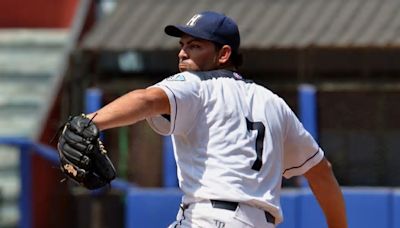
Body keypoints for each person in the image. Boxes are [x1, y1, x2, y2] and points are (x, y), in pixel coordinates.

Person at [84, 11, 347, 228]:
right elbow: (321, 172)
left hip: (209, 219)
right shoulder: (274, 103)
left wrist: (90, 121)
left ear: (223, 54)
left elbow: (146, 100)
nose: (182, 53)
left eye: (195, 46)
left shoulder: (196, 84)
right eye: (182, 45)